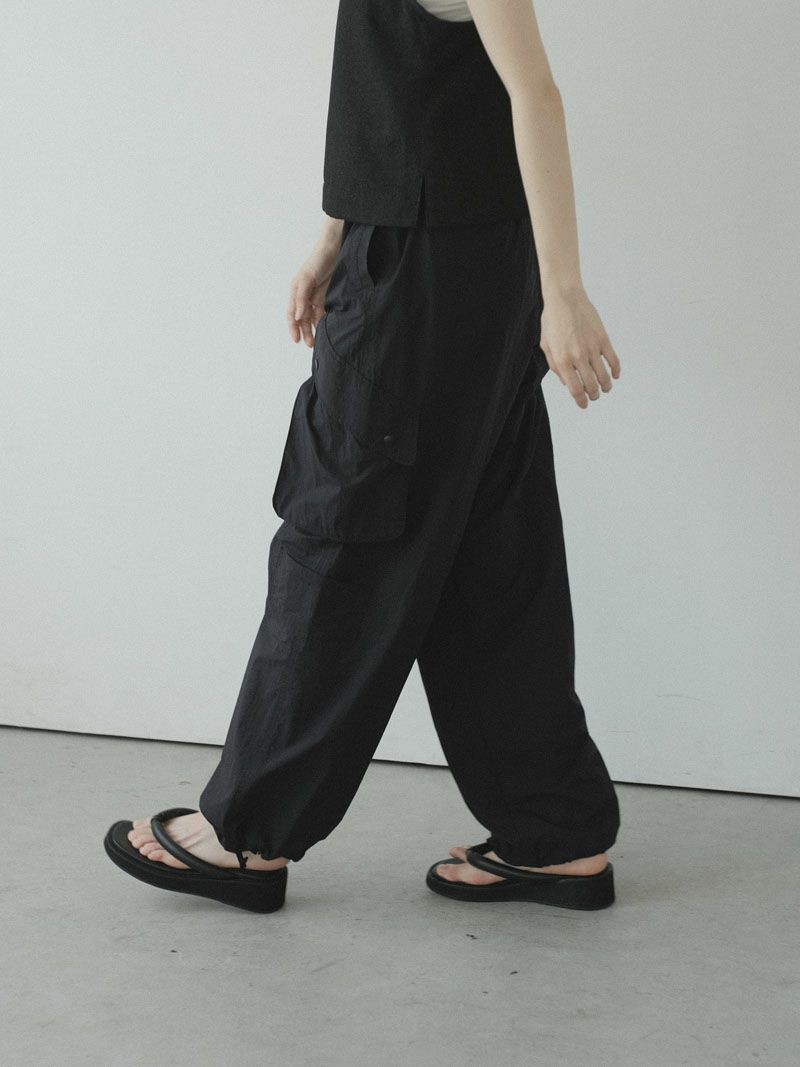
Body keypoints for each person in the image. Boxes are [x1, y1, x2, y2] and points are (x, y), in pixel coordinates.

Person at [104, 0, 622, 913]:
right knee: (489, 552)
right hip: (448, 256)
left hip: (425, 275)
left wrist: (566, 291)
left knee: (345, 536)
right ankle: (555, 829)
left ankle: (247, 831)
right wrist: (335, 237)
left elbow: (533, 93)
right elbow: (400, 91)